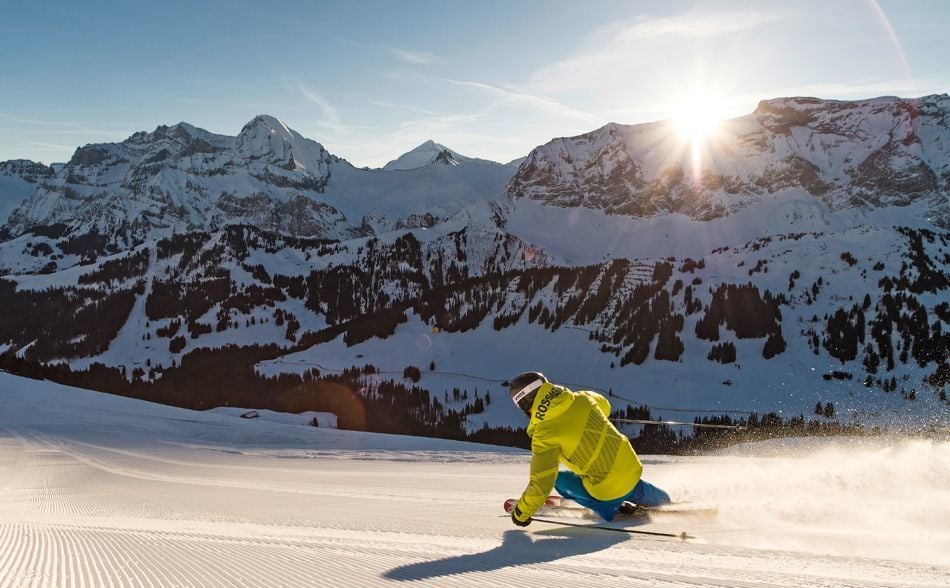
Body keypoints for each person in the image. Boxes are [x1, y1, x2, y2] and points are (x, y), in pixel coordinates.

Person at [508, 371, 671, 527]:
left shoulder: (544, 433)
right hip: (631, 469)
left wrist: (521, 514)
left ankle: (610, 507)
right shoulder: (583, 397)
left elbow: (542, 481)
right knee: (636, 488)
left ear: (525, 400)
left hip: (606, 490)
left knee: (556, 478)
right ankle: (660, 499)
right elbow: (605, 406)